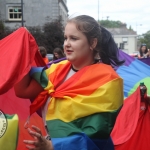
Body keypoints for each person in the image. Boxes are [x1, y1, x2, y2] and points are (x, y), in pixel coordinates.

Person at [14, 15, 124, 150]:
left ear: (93, 43)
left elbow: (96, 135)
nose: (66, 44)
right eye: (65, 38)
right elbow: (22, 90)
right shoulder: (56, 71)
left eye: (74, 38)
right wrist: (21, 47)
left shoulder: (109, 81)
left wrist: (51, 146)